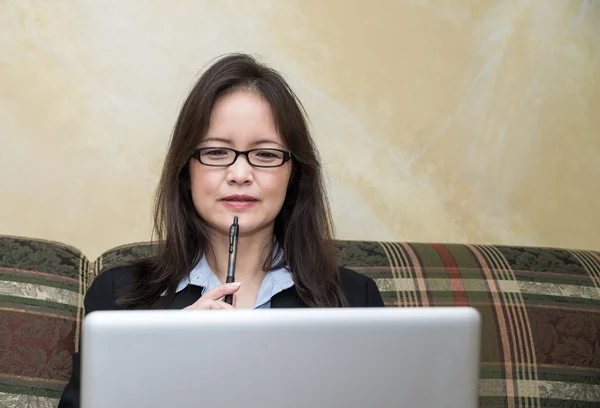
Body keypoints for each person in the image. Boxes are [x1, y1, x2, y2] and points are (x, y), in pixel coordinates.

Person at [57, 53, 384, 407]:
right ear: (186, 170)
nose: (240, 174)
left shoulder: (355, 299)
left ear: (295, 174)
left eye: (266, 155)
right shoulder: (118, 296)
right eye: (216, 152)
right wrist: (157, 357)